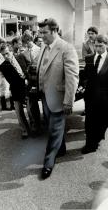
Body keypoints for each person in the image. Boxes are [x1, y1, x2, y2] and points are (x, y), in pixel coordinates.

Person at [35, 18, 79, 179]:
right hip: (45, 97)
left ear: (55, 31)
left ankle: (48, 163)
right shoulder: (43, 47)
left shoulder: (67, 48)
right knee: (52, 127)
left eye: (44, 32)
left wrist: (69, 100)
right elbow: (41, 69)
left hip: (60, 99)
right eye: (40, 33)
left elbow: (72, 77)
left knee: (53, 131)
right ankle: (61, 149)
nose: (41, 36)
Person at [81, 35, 108, 154]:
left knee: (103, 121)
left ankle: (98, 137)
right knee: (89, 121)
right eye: (96, 45)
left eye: (100, 46)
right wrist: (81, 85)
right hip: (90, 96)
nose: (98, 48)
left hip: (105, 97)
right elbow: (84, 75)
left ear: (106, 44)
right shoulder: (89, 58)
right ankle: (90, 144)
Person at [0, 44, 30, 139]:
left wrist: (27, 77)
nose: (6, 56)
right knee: (19, 111)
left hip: (27, 87)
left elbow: (29, 65)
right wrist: (22, 80)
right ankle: (24, 130)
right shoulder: (3, 66)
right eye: (3, 55)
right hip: (16, 88)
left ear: (11, 51)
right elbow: (11, 80)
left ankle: (34, 126)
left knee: (30, 109)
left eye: (7, 53)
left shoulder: (21, 57)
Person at [22, 31, 41, 134]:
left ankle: (45, 122)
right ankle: (35, 124)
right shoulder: (24, 53)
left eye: (27, 41)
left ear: (30, 40)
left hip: (40, 80)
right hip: (30, 81)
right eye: (25, 43)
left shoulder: (40, 50)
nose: (26, 44)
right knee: (32, 104)